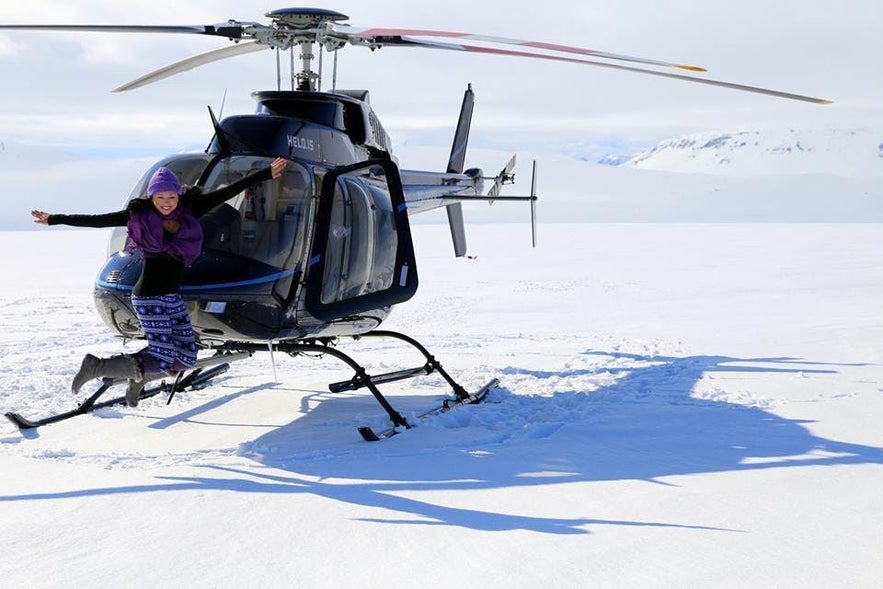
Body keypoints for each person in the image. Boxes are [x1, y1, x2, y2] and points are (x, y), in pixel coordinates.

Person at [32, 156, 288, 406]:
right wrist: (54, 219)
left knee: (186, 356)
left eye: (171, 197)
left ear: (179, 196)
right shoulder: (139, 217)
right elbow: (97, 220)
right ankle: (96, 366)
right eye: (160, 198)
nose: (166, 203)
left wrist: (265, 174)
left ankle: (138, 378)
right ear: (151, 197)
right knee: (164, 356)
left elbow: (228, 191)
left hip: (170, 296)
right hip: (147, 296)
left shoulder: (190, 211)